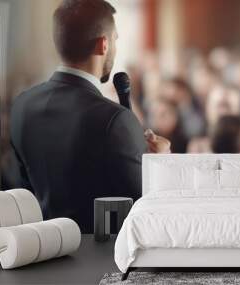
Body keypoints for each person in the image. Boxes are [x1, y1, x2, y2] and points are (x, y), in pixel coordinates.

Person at [10, 0, 170, 233]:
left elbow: (24, 193)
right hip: (101, 256)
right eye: (115, 39)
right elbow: (146, 207)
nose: (115, 46)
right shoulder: (115, 120)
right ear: (103, 44)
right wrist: (161, 161)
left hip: (43, 250)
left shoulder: (22, 105)